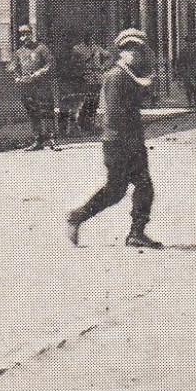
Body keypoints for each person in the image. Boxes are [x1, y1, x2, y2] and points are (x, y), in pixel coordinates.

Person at [66, 28, 163, 250]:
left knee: (140, 186)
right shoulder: (116, 77)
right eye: (130, 50)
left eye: (138, 50)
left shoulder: (129, 76)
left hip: (129, 140)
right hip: (119, 142)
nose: (135, 54)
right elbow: (116, 113)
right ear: (121, 52)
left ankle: (136, 233)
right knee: (117, 190)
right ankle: (77, 217)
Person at [9, 24, 58, 151]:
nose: (25, 36)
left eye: (27, 33)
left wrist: (39, 73)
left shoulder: (41, 48)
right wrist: (17, 77)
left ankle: (53, 140)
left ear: (31, 34)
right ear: (19, 37)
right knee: (33, 113)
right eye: (23, 34)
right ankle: (38, 140)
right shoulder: (19, 52)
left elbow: (50, 63)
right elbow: (13, 67)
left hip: (41, 86)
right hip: (27, 87)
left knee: (46, 111)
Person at [71, 34, 108, 132]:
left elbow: (108, 56)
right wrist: (81, 68)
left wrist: (103, 66)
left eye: (92, 36)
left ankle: (91, 123)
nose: (90, 38)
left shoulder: (96, 48)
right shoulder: (77, 49)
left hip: (97, 77)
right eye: (88, 36)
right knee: (85, 100)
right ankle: (81, 122)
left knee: (95, 101)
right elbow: (74, 63)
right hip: (85, 76)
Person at [175, 33, 196, 108]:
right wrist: (180, 71)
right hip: (189, 72)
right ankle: (192, 102)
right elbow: (179, 62)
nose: (191, 43)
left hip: (193, 72)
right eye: (189, 42)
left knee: (193, 88)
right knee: (190, 88)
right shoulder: (185, 51)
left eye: (192, 41)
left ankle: (193, 101)